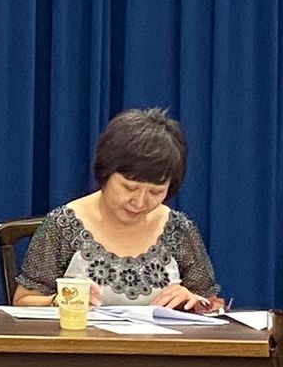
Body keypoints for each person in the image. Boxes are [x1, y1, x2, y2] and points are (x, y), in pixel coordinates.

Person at [12, 108, 221, 310]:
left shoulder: (177, 229)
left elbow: (213, 304)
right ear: (105, 173)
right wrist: (60, 301)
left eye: (155, 192)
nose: (139, 202)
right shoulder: (64, 225)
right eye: (129, 188)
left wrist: (195, 302)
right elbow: (23, 301)